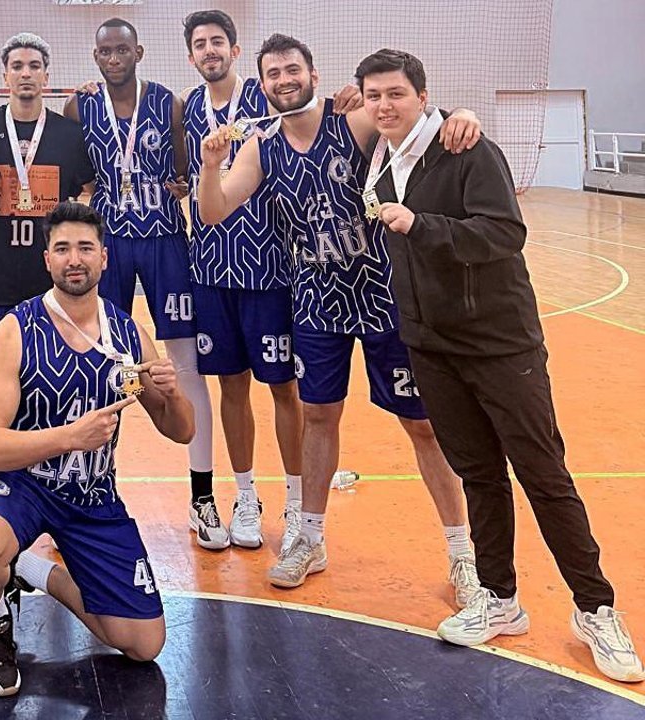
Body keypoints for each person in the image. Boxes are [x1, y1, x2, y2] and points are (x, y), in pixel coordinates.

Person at [356, 49, 644, 683]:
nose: (384, 105)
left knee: (543, 473)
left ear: (422, 96)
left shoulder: (466, 149)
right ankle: (500, 598)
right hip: (432, 346)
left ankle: (595, 608)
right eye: (374, 95)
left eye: (396, 93)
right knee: (479, 475)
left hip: (499, 342)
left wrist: (421, 224)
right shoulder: (379, 158)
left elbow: (504, 233)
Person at [196, 34, 480, 600]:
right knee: (319, 416)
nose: (284, 80)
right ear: (262, 82)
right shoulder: (261, 146)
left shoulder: (353, 121)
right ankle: (310, 538)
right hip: (315, 300)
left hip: (382, 294)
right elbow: (213, 211)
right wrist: (209, 165)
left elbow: (415, 117)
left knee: (422, 425)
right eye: (273, 73)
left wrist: (461, 114)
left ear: (313, 74)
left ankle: (462, 553)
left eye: (292, 69)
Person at [0, 201, 194, 696]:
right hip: (23, 486)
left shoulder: (127, 334)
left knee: (143, 643)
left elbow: (181, 432)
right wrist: (68, 437)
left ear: (104, 257)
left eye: (85, 248)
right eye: (62, 249)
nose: (74, 259)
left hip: (92, 495)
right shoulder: (15, 330)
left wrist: (172, 394)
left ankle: (33, 570)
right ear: (47, 260)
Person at [63, 18, 214, 547]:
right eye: (105, 51)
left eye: (122, 50)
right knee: (98, 364)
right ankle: (83, 493)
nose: (113, 58)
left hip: (166, 239)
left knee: (184, 363)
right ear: (96, 56)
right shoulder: (79, 106)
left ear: (139, 52)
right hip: (108, 244)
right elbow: (83, 176)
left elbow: (183, 172)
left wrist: (181, 185)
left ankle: (203, 497)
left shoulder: (169, 102)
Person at [178, 10, 304, 553]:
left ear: (233, 49)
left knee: (283, 388)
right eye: (200, 44)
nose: (209, 50)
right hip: (209, 269)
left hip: (268, 268)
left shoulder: (266, 95)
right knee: (231, 386)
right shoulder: (187, 108)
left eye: (217, 42)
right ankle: (246, 496)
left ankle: (298, 502)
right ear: (191, 56)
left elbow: (314, 114)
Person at [0, 32, 93, 370]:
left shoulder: (70, 134)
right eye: (17, 66)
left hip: (51, 283)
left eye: (34, 66)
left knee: (52, 374)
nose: (26, 73)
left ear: (46, 76)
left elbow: (95, 188)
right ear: (5, 76)